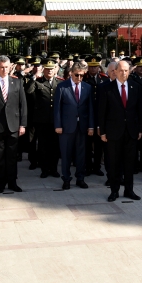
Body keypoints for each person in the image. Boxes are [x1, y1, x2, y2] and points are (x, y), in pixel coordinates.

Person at [98, 60, 142, 202]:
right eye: (121, 70)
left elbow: (138, 111)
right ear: (115, 72)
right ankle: (114, 191)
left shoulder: (135, 87)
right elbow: (101, 112)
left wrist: (140, 128)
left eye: (126, 70)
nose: (124, 73)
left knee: (130, 163)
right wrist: (103, 132)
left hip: (131, 131)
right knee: (113, 163)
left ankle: (129, 190)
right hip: (113, 132)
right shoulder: (106, 88)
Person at [0, 55, 27, 193]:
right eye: (1, 67)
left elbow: (22, 105)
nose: (4, 70)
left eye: (6, 67)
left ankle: (12, 182)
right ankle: (0, 183)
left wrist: (22, 125)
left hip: (13, 125)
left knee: (12, 156)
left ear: (10, 67)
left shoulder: (17, 82)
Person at [54, 61, 95, 189]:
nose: (79, 78)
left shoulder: (87, 88)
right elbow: (57, 108)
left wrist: (91, 126)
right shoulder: (62, 87)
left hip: (82, 127)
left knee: (81, 154)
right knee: (66, 154)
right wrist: (58, 125)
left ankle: (80, 178)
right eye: (77, 75)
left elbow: (90, 109)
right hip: (66, 127)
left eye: (82, 75)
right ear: (71, 73)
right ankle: (66, 179)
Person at [25, 59, 62, 179]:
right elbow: (28, 91)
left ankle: (54, 169)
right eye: (47, 69)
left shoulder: (59, 83)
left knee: (55, 147)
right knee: (43, 147)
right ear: (44, 70)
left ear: (55, 70)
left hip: (55, 120)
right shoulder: (38, 82)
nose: (49, 71)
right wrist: (34, 77)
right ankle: (44, 169)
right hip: (42, 120)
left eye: (51, 69)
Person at [83, 56, 109, 177]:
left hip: (99, 115)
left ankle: (97, 166)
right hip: (87, 114)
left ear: (99, 67)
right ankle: (88, 166)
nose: (93, 69)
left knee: (99, 144)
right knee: (87, 144)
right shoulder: (83, 78)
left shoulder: (104, 79)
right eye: (91, 66)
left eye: (95, 66)